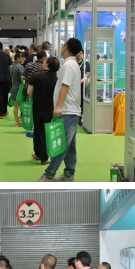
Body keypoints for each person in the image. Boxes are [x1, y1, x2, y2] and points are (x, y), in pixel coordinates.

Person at [40, 37, 83, 182]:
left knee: (61, 146)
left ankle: (48, 175)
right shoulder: (71, 64)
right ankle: (69, 174)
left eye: (64, 44)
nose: (62, 46)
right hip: (70, 110)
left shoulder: (69, 65)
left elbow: (65, 86)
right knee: (69, 146)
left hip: (67, 111)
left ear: (66, 48)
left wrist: (58, 106)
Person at [29, 55, 60, 165]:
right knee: (47, 132)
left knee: (38, 131)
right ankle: (45, 156)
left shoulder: (36, 75)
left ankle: (39, 153)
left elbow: (29, 92)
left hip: (37, 107)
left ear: (47, 64)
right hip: (50, 108)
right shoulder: (56, 79)